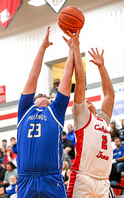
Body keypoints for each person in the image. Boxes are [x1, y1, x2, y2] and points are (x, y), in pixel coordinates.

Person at [17, 26, 74, 198]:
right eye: (39, 95)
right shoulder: (25, 110)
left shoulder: (55, 112)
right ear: (34, 100)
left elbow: (66, 78)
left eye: (46, 97)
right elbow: (32, 77)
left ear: (51, 102)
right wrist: (42, 48)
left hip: (51, 178)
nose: (42, 96)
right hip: (25, 180)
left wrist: (72, 51)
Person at [65, 31, 115, 198]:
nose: (88, 101)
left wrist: (101, 67)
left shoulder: (102, 121)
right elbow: (80, 79)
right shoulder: (82, 116)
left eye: (89, 101)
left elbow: (109, 95)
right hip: (83, 178)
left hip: (103, 181)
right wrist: (76, 49)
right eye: (85, 101)